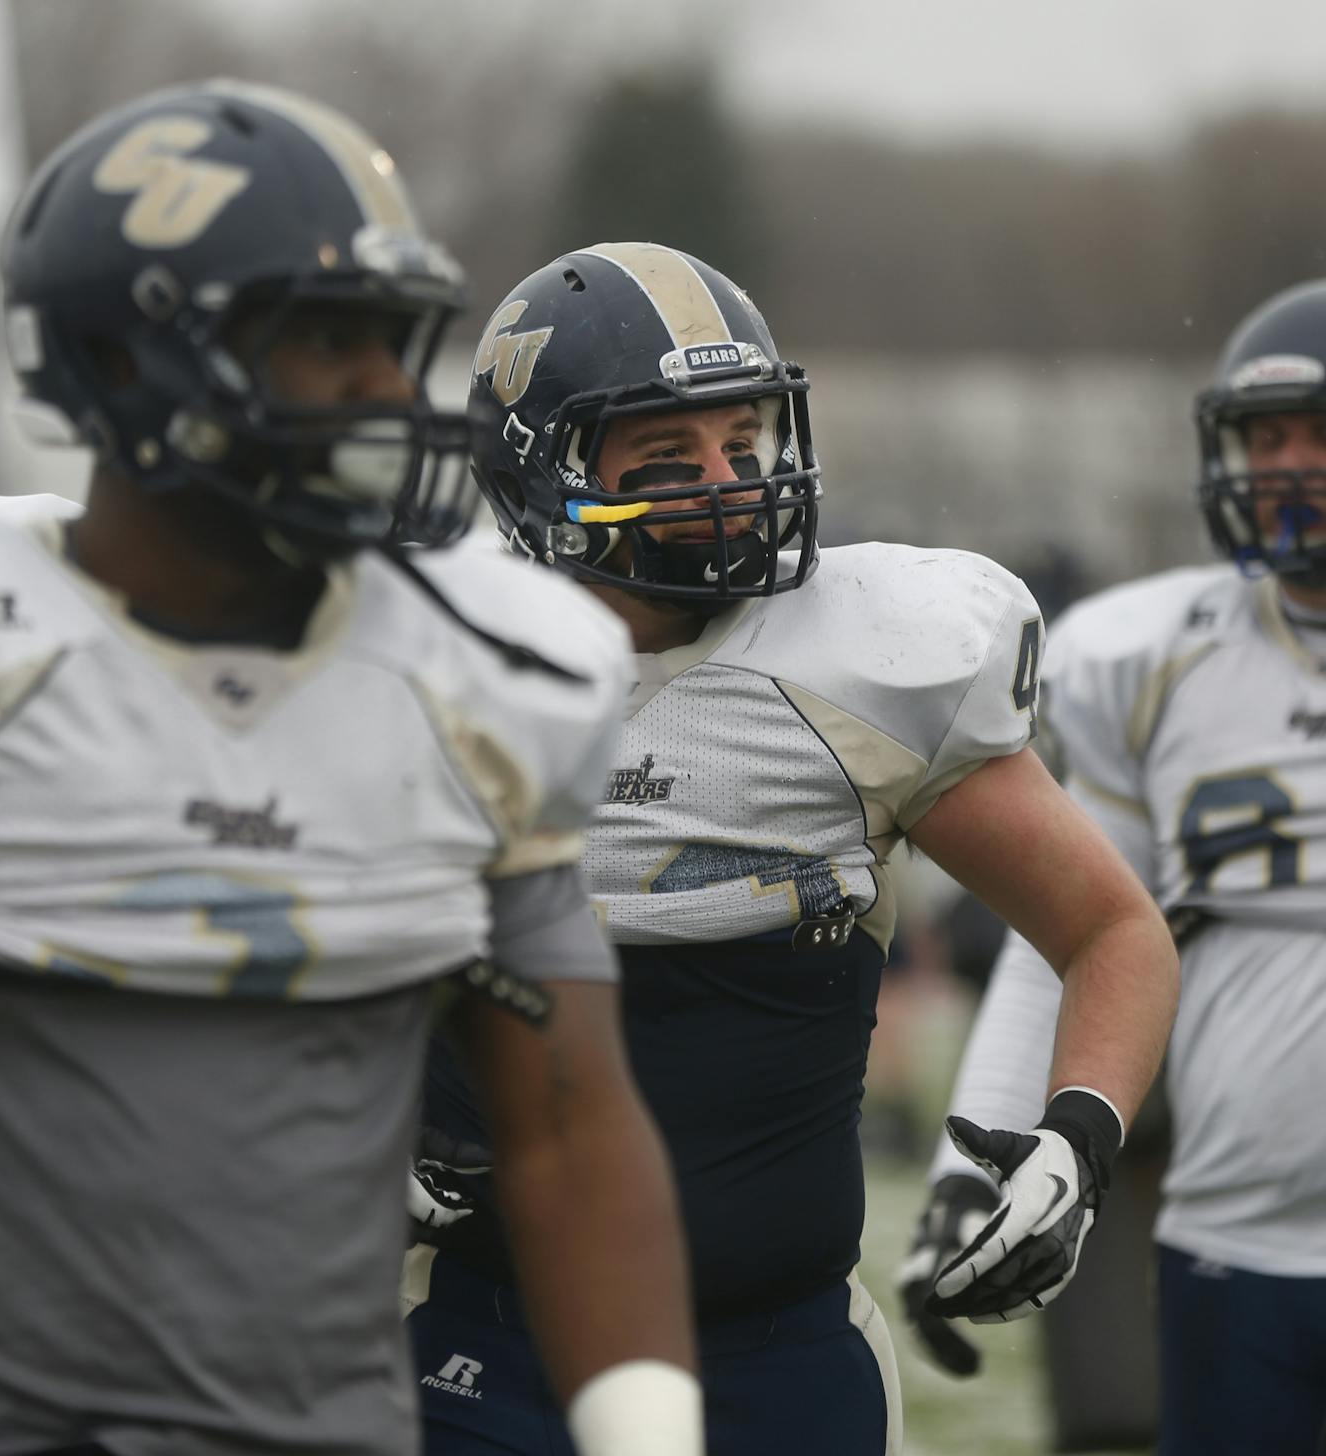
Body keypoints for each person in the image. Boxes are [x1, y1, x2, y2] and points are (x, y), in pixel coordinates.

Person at [0, 84, 704, 1456]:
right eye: (324, 341)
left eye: (394, 345)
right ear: (125, 356)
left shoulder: (475, 681)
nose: (384, 395)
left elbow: (566, 1123)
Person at [402, 240, 1180, 1456]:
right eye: (668, 456)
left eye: (742, 443)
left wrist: (1074, 1140)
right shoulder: (419, 663)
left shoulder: (867, 659)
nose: (727, 483)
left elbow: (1113, 930)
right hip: (479, 1337)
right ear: (538, 475)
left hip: (779, 1354)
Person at [901, 279, 1326, 1454]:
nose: (1285, 466)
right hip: (1233, 1238)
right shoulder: (1147, 659)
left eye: (1316, 433)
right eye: (1262, 437)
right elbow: (1071, 938)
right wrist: (964, 1164)